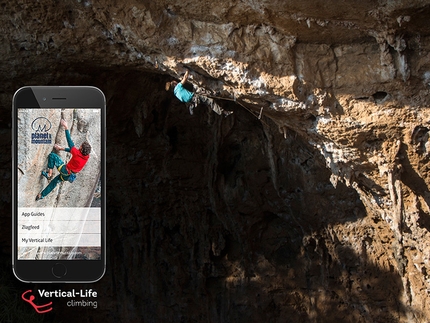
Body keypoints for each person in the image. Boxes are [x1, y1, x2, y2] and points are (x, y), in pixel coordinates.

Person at [36, 119, 91, 201]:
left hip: (65, 170)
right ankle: (41, 196)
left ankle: (49, 173)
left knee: (52, 156)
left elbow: (70, 143)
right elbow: (74, 151)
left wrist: (66, 127)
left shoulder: (77, 153)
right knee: (54, 182)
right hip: (68, 176)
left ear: (82, 150)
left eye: (81, 147)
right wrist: (61, 148)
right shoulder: (86, 157)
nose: (79, 147)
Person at [166, 70, 233, 117]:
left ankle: (214, 94)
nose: (177, 82)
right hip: (194, 97)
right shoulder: (178, 87)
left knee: (204, 95)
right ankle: (223, 112)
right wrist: (187, 70)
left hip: (192, 102)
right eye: (175, 82)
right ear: (174, 84)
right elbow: (185, 78)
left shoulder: (176, 94)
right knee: (210, 101)